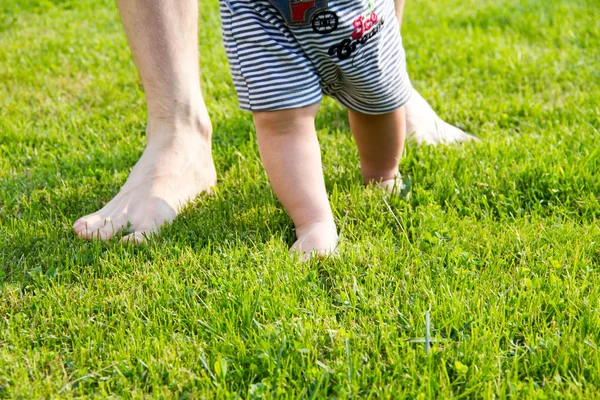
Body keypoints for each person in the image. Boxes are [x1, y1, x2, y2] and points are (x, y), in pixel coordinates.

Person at [73, 0, 475, 248]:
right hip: (261, 14)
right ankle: (313, 220)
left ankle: (382, 171)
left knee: (377, 98)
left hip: (356, 9)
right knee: (281, 118)